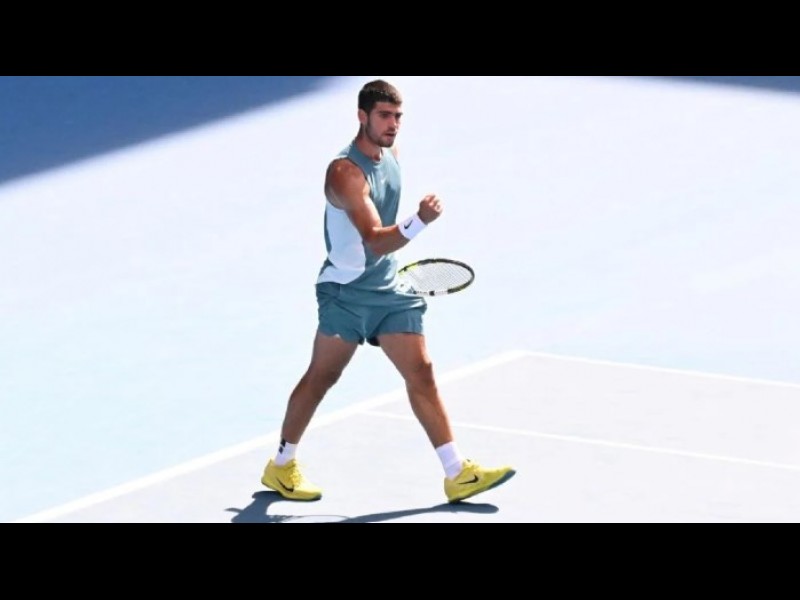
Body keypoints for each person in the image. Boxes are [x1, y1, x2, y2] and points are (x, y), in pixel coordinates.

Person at [261, 79, 515, 504]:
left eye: (397, 116)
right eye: (384, 116)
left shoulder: (391, 154)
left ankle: (457, 473)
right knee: (322, 377)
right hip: (345, 294)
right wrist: (420, 221)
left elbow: (382, 249)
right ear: (362, 116)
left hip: (388, 289)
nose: (393, 124)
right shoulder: (344, 173)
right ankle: (281, 465)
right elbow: (375, 241)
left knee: (422, 372)